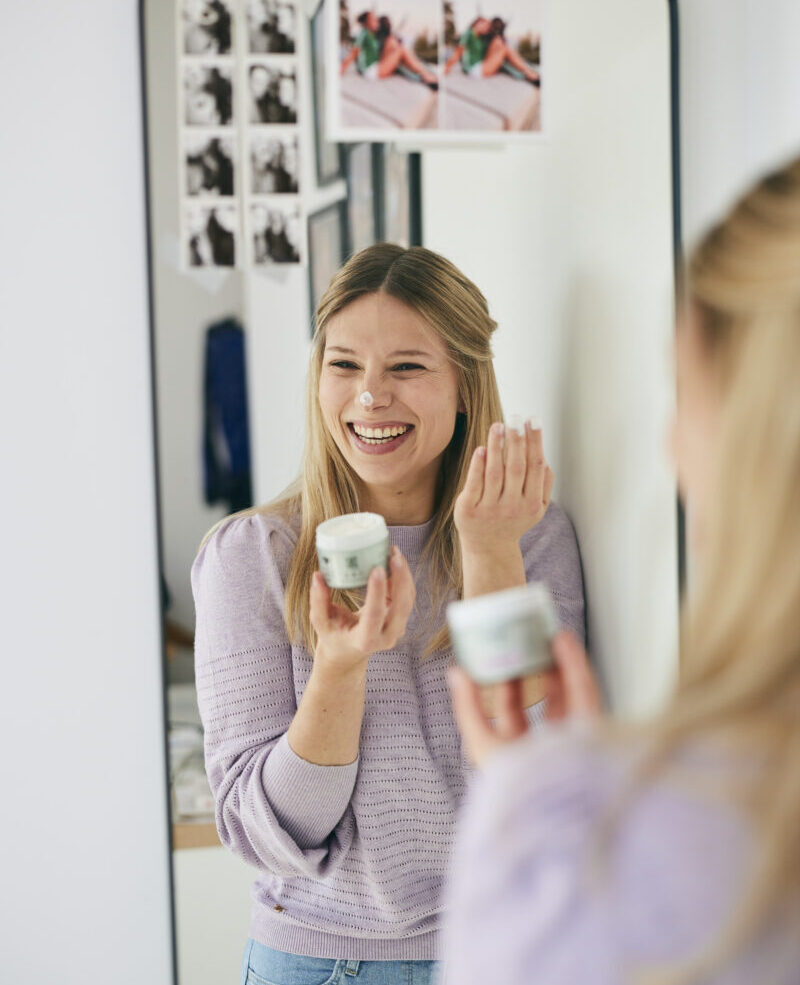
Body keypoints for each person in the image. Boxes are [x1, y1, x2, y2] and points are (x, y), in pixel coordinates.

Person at [445, 159, 800, 983]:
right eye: (344, 365)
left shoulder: (611, 858)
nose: (672, 448)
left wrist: (543, 806)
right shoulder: (257, 552)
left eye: (685, 395)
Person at [191, 244, 585, 983]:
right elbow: (270, 834)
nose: (370, 396)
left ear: (465, 385)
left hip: (499, 949)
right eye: (343, 365)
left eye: (406, 367)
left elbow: (538, 780)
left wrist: (491, 554)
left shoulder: (530, 536)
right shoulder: (251, 557)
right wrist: (339, 667)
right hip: (318, 962)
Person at [341, 11, 439, 90]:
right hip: (371, 72)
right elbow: (354, 52)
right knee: (401, 51)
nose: (376, 22)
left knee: (399, 53)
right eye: (374, 20)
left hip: (376, 68)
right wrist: (341, 69)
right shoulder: (364, 34)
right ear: (367, 22)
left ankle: (424, 74)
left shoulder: (371, 35)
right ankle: (425, 75)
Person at [444, 16, 540, 86]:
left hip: (482, 65)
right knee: (504, 49)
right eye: (485, 25)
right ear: (477, 23)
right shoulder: (468, 33)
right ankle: (528, 73)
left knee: (498, 42)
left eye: (488, 27)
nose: (487, 29)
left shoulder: (480, 37)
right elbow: (458, 53)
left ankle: (527, 69)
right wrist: (446, 68)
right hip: (475, 70)